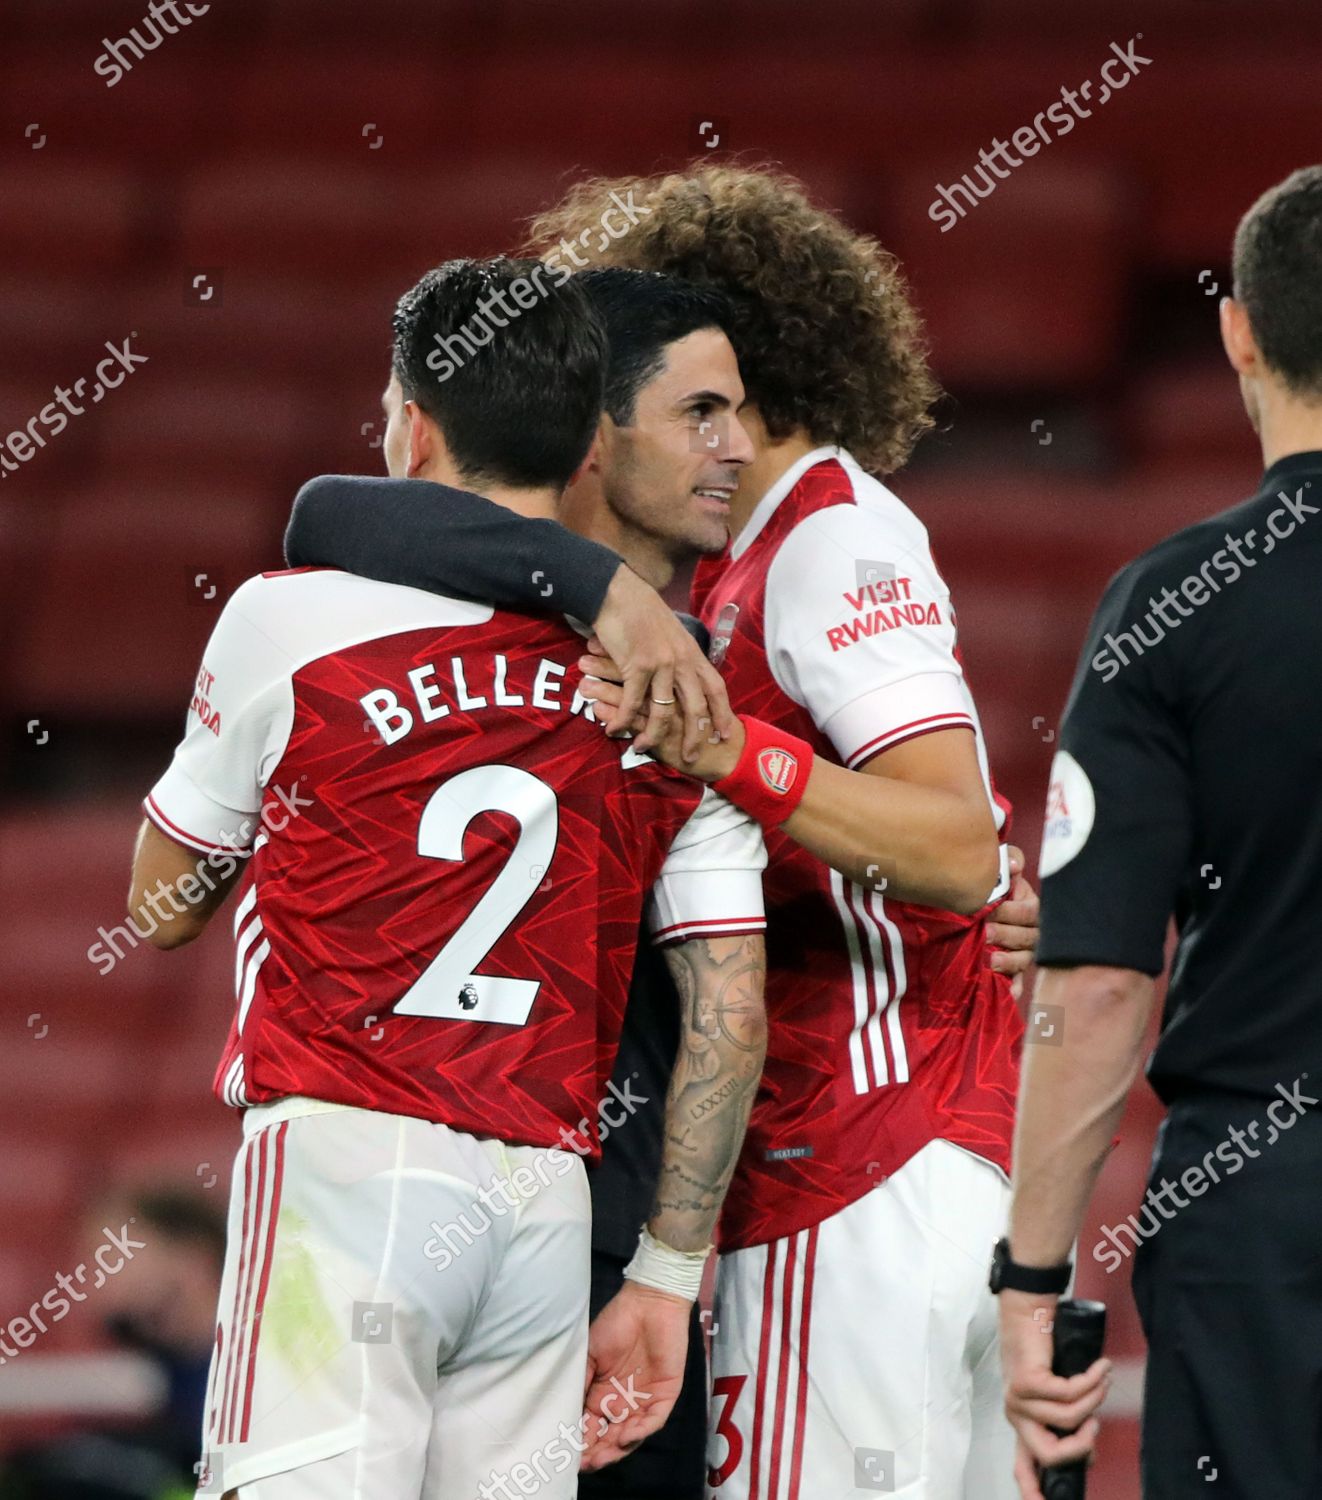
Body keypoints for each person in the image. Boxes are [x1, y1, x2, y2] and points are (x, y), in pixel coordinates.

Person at [288, 172, 1039, 1492]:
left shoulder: (823, 536)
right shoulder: (687, 584)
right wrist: (602, 592)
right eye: (691, 409)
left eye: (723, 403)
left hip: (848, 1166)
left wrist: (732, 753)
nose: (721, 441)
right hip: (842, 1172)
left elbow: (951, 848)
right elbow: (329, 510)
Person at [128, 257, 769, 1500]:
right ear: (590, 453)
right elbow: (727, 1014)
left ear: (410, 426)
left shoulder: (289, 620)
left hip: (346, 1162)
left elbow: (158, 910)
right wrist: (665, 1274)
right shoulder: (674, 686)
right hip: (541, 1200)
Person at [996, 164, 1322, 1500]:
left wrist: (1029, 1278)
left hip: (1265, 1212)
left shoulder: (1174, 606)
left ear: (1237, 329)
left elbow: (1097, 981)